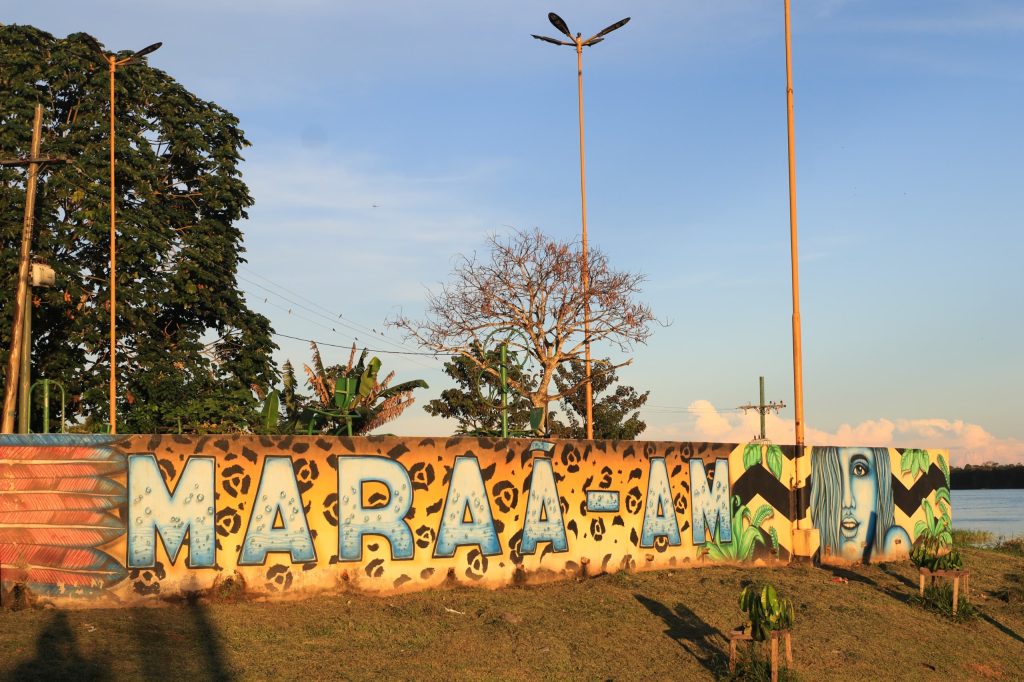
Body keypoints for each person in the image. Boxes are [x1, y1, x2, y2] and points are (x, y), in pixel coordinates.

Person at [810, 446, 911, 563]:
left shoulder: (895, 537)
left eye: (859, 470)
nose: (847, 503)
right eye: (832, 473)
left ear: (881, 484)